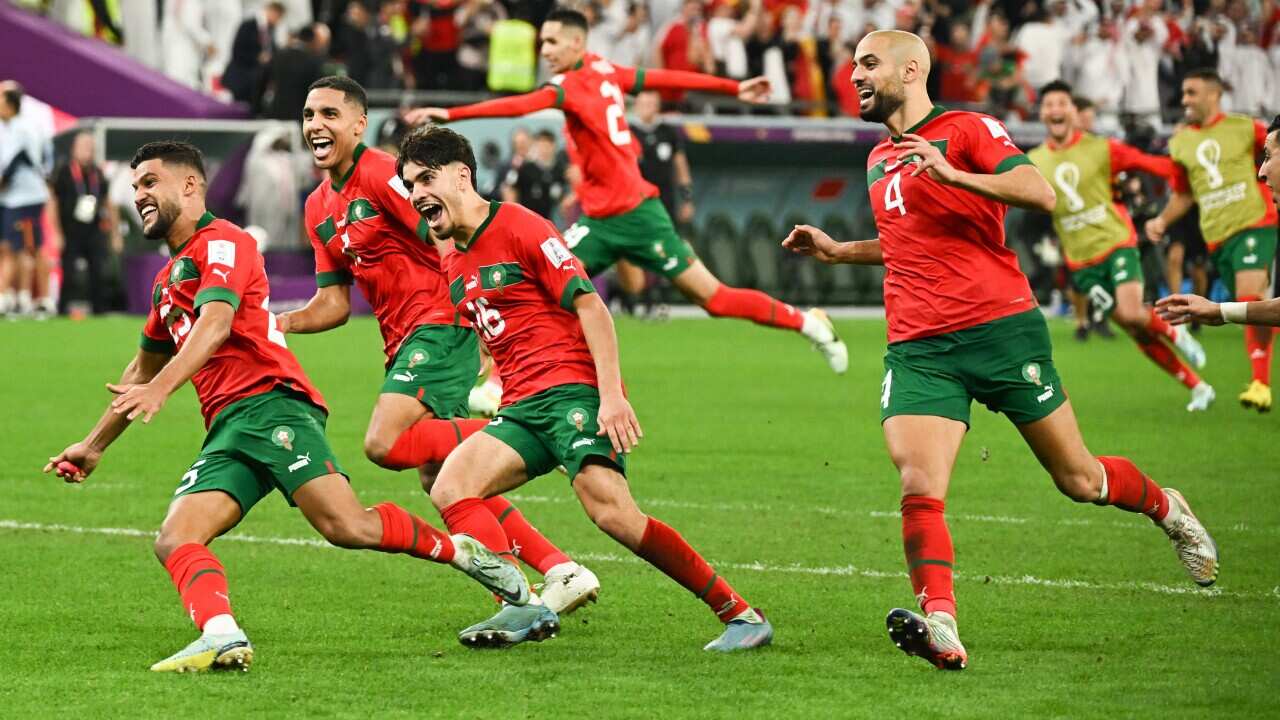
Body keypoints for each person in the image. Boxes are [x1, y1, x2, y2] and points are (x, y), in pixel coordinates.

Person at [781, 30, 1218, 671]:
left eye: (868, 64)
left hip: (1001, 329)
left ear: (911, 68)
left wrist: (954, 172)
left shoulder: (967, 129)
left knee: (1079, 479)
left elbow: (1040, 193)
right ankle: (942, 623)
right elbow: (908, 241)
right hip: (919, 345)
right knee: (917, 484)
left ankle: (1166, 507)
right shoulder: (878, 159)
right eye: (852, 66)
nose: (854, 75)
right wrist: (841, 250)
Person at [42, 140, 528, 673]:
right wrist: (93, 445)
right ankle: (221, 636)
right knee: (175, 537)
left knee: (349, 528)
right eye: (135, 187)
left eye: (150, 183)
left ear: (190, 185)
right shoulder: (164, 284)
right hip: (228, 426)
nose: (139, 195)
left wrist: (161, 390)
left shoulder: (223, 242)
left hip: (272, 407)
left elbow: (216, 323)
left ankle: (462, 552)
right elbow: (140, 371)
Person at [397, 124, 774, 652]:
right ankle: (521, 604)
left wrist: (611, 395)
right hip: (523, 407)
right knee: (449, 487)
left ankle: (740, 614)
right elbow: (499, 328)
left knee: (612, 514)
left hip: (572, 392)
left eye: (425, 179)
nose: (416, 194)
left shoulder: (521, 225)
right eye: (410, 184)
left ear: (462, 176)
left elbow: (590, 304)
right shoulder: (452, 257)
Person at [282, 77, 598, 614]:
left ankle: (539, 432)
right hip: (402, 340)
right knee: (446, 479)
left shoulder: (384, 173)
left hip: (441, 323)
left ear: (358, 124)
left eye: (330, 114)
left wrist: (476, 317)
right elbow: (333, 304)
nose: (316, 125)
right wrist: (277, 323)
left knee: (383, 442)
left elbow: (449, 231)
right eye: (309, 115)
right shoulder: (317, 207)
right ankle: (560, 570)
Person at [405, 8, 849, 374]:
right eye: (543, 43)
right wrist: (732, 88)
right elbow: (664, 79)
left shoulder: (572, 84)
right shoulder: (604, 70)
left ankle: (807, 320)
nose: (546, 51)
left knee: (713, 298)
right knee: (537, 289)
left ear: (578, 44)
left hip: (639, 215)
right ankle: (504, 383)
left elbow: (521, 105)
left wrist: (451, 111)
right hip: (599, 221)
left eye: (553, 43)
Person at [1027, 81, 1213, 411]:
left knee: (1130, 311)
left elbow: (1151, 164)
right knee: (1132, 326)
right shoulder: (1034, 160)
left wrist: (1190, 169)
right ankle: (1198, 387)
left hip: (1116, 244)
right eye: (1049, 104)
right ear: (1042, 113)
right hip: (1081, 262)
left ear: (1073, 111)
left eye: (1061, 103)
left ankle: (1176, 335)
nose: (1055, 109)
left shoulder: (1102, 148)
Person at [1144, 69, 1278, 412]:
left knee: (1250, 294)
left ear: (1214, 94)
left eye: (1192, 93)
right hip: (1218, 235)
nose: (1185, 100)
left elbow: (1274, 151)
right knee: (1256, 304)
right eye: (1183, 94)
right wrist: (1161, 220)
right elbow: (1184, 194)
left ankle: (1260, 382)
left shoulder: (1245, 127)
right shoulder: (1180, 142)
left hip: (1255, 222)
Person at [1159, 115, 1280, 328]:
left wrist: (1219, 310)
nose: (1260, 171)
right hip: (1213, 231)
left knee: (1247, 293)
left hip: (1245, 226)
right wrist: (1219, 311)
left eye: (1268, 156)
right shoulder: (1181, 154)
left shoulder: (1238, 130)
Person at [49, 131, 117, 315]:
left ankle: (99, 311)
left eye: (91, 148)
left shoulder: (98, 173)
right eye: (84, 147)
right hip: (70, 230)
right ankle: (62, 310)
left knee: (97, 270)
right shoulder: (63, 172)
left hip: (93, 230)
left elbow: (107, 202)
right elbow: (52, 203)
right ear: (74, 149)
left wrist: (115, 233)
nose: (88, 151)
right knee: (68, 271)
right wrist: (56, 232)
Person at [0, 84, 53, 318]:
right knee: (14, 248)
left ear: (11, 103)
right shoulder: (5, 127)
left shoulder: (26, 128)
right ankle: (20, 297)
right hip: (9, 198)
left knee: (30, 248)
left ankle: (42, 299)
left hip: (26, 197)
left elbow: (23, 160)